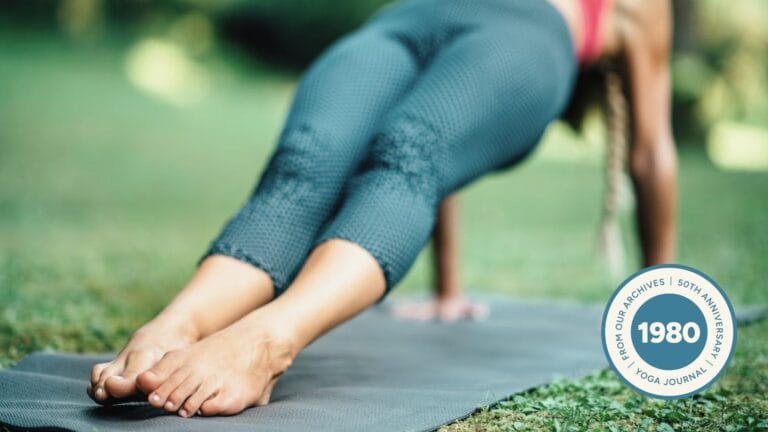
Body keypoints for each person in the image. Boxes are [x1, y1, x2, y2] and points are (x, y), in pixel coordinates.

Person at [88, 0, 677, 417]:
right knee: (303, 163)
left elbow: (650, 155)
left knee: (408, 156)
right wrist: (448, 290)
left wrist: (661, 305)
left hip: (530, 35)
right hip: (400, 24)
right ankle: (175, 324)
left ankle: (266, 343)